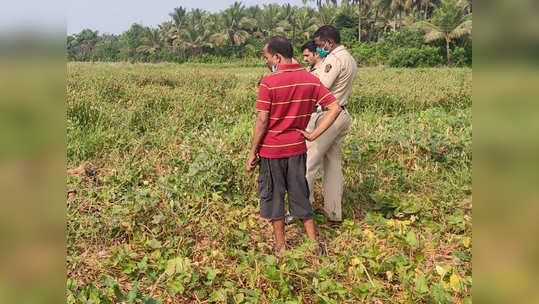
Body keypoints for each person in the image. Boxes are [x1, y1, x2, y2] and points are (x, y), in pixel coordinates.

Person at [246, 36, 341, 257]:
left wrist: (252, 151)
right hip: (297, 149)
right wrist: (313, 134)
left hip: (271, 151)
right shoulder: (309, 79)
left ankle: (280, 246)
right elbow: (334, 108)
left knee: (274, 196)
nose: (267, 61)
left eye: (267, 57)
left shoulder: (268, 82)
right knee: (300, 193)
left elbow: (262, 121)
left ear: (277, 57)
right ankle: (314, 245)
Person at [286, 25, 358, 225]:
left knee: (309, 162)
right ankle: (334, 213)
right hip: (341, 113)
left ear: (328, 43)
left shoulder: (334, 59)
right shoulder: (350, 58)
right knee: (333, 166)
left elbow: (320, 87)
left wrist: (297, 74)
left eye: (319, 45)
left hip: (328, 115)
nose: (318, 50)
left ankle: (300, 210)